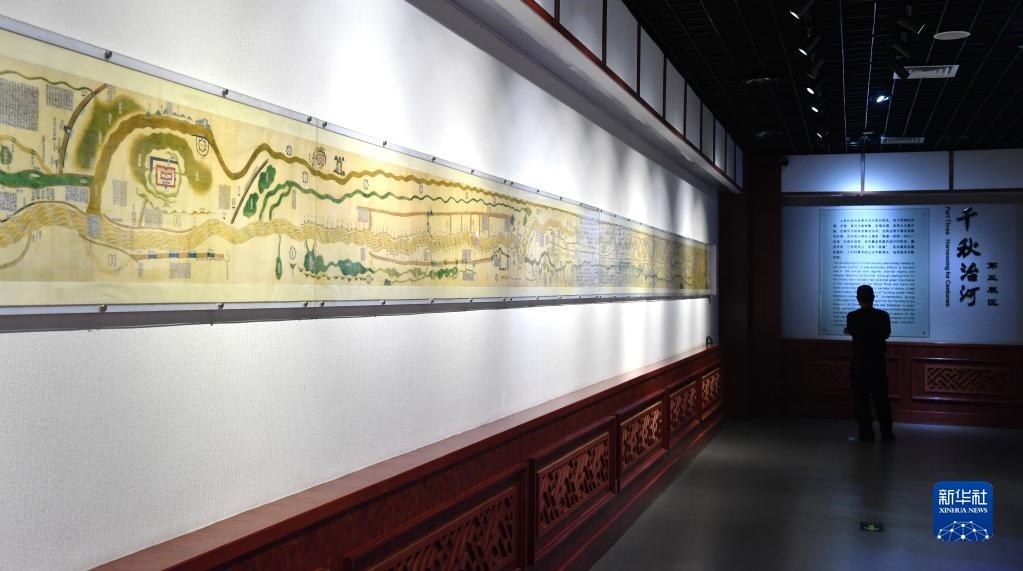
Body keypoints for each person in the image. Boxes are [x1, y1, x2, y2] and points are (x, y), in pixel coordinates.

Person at [844, 285, 894, 442]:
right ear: (873, 297)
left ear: (858, 299)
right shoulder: (883, 315)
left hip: (859, 363)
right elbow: (886, 334)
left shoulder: (852, 316)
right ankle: (886, 433)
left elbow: (850, 330)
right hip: (877, 363)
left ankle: (865, 433)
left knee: (861, 400)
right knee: (881, 399)